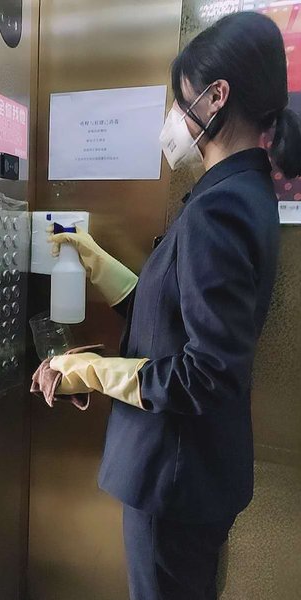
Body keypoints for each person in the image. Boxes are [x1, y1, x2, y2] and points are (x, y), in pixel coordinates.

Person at [47, 11, 301, 600]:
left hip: (175, 477)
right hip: (191, 474)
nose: (173, 116)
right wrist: (96, 261)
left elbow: (207, 372)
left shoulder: (220, 209)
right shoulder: (237, 193)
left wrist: (93, 371)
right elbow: (174, 317)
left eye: (180, 99)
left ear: (216, 97)